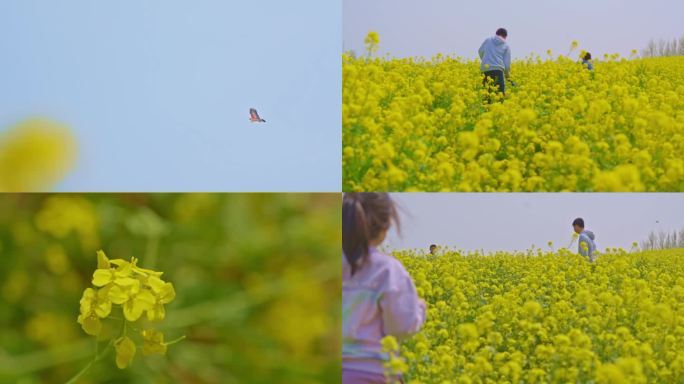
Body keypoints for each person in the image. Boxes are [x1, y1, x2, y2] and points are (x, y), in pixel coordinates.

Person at [343, 193, 426, 384]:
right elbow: (401, 326)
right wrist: (419, 311)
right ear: (386, 225)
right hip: (375, 373)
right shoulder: (387, 270)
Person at [479, 28, 512, 97]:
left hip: (485, 70)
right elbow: (507, 65)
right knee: (499, 96)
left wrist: (486, 61)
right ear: (505, 36)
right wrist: (507, 76)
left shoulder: (488, 40)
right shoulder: (506, 46)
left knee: (486, 96)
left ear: (496, 34)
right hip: (498, 71)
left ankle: (486, 107)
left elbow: (480, 51)